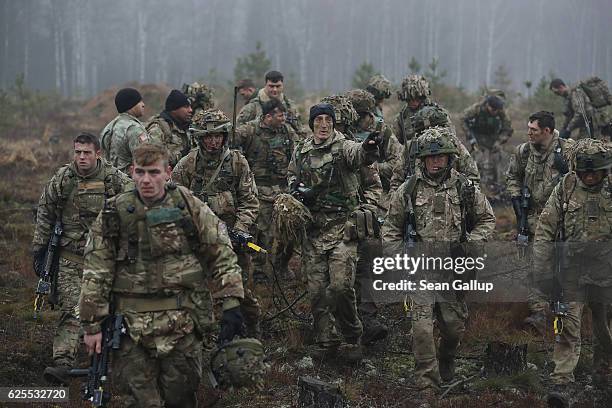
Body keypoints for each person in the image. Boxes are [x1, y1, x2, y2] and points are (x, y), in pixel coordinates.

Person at [79, 143, 245, 407]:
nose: (147, 180)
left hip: (183, 324)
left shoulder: (188, 205)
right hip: (130, 329)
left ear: (168, 172)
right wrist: (91, 325)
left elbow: (220, 252)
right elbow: (96, 270)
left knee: (181, 398)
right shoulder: (115, 212)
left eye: (154, 172)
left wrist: (232, 301)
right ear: (132, 172)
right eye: (141, 172)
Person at [382, 127, 495, 392]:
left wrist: (470, 246)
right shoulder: (407, 190)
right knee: (421, 330)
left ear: (450, 158)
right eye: (430, 157)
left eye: (441, 156)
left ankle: (446, 362)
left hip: (452, 272)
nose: (435, 161)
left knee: (453, 328)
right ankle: (427, 384)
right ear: (422, 159)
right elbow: (389, 229)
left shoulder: (465, 189)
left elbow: (487, 219)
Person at [32, 132, 133, 384]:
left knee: (109, 312)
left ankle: (104, 360)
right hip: (70, 259)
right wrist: (40, 249)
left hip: (105, 261)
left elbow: (135, 203)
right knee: (72, 310)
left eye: (87, 152)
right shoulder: (63, 178)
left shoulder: (114, 178)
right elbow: (45, 211)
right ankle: (63, 362)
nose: (81, 157)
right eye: (77, 152)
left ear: (98, 153)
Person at [287, 103, 381, 361]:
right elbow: (291, 177)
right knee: (317, 291)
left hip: (342, 228)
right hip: (313, 231)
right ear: (312, 123)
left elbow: (360, 155)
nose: (324, 125)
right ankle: (326, 340)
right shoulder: (302, 150)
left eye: (328, 120)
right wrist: (297, 193)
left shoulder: (344, 147)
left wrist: (369, 148)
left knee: (340, 287)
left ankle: (352, 337)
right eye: (319, 120)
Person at [532, 139, 612, 406]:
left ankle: (603, 375)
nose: (589, 177)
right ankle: (562, 381)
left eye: (595, 172)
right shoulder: (566, 187)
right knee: (568, 326)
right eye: (584, 172)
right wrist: (541, 270)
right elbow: (545, 229)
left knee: (605, 330)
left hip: (607, 272)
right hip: (572, 272)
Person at [172, 109, 261, 336]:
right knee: (196, 289)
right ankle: (204, 333)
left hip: (233, 238)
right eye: (208, 137)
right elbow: (173, 203)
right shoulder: (186, 165)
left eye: (218, 136)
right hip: (199, 240)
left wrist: (240, 230)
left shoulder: (237, 162)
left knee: (239, 290)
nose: (213, 142)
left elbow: (250, 201)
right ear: (199, 138)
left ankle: (251, 329)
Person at [321, 94, 388, 345]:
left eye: (338, 125)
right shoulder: (312, 149)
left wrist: (367, 209)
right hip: (326, 221)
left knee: (370, 251)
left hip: (355, 218)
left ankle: (367, 316)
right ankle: (330, 323)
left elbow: (373, 185)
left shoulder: (357, 149)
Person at [506, 111, 573, 331]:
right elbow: (513, 176)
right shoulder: (524, 151)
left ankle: (566, 317)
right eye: (528, 128)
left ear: (547, 131)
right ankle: (540, 314)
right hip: (532, 219)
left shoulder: (568, 150)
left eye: (533, 129)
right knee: (533, 266)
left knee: (563, 266)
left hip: (562, 220)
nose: (528, 133)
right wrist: (516, 199)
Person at [233, 98, 300, 280]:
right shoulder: (250, 130)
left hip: (283, 191)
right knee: (262, 234)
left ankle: (281, 265)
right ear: (268, 116)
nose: (283, 118)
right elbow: (231, 137)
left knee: (290, 230)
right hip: (258, 191)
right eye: (280, 115)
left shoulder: (287, 132)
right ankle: (260, 269)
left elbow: (299, 152)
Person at [390, 104, 480, 192]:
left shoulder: (454, 145)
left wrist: (468, 195)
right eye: (425, 132)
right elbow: (396, 181)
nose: (432, 136)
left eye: (437, 131)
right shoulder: (410, 148)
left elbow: (472, 177)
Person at [345, 88, 402, 194]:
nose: (356, 120)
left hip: (378, 188)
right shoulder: (346, 128)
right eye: (352, 115)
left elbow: (398, 162)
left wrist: (373, 168)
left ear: (369, 113)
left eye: (360, 116)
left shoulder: (381, 129)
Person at [461, 93, 513, 188]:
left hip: (493, 138)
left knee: (497, 160)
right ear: (488, 105)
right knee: (477, 159)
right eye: (493, 109)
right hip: (477, 137)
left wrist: (499, 141)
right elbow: (463, 119)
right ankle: (474, 184)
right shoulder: (476, 109)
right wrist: (471, 138)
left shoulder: (501, 112)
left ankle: (497, 185)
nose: (495, 112)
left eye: (497, 110)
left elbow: (508, 128)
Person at [237, 70, 305, 137]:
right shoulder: (252, 107)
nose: (275, 89)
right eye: (271, 86)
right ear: (265, 85)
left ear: (282, 86)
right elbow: (238, 132)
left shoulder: (289, 106)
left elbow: (300, 131)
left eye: (278, 86)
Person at [100, 87, 149, 173]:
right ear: (131, 105)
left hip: (110, 180)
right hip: (130, 182)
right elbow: (145, 160)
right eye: (139, 101)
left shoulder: (109, 127)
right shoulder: (134, 129)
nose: (143, 104)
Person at [393, 74, 447, 145]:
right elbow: (395, 144)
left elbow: (449, 136)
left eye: (417, 98)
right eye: (409, 99)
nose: (413, 102)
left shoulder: (437, 113)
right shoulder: (402, 117)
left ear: (423, 96)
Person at [146, 89, 193, 168]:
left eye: (190, 107)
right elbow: (154, 156)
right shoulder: (158, 127)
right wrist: (182, 155)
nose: (190, 110)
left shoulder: (187, 126)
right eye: (186, 107)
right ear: (174, 109)